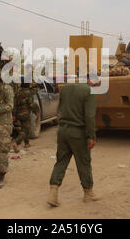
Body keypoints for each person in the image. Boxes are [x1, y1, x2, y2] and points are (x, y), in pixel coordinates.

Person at [47, 74, 100, 207]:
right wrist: (91, 136)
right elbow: (89, 116)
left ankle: (53, 193)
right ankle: (88, 193)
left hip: (63, 131)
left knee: (61, 162)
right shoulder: (89, 91)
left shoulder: (66, 88)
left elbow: (59, 109)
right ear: (91, 81)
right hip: (78, 133)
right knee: (84, 163)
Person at [12, 79, 39, 152]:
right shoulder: (28, 92)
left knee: (24, 128)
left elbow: (14, 104)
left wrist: (14, 115)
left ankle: (27, 143)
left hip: (18, 113)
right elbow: (31, 104)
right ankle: (16, 143)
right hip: (25, 114)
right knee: (26, 130)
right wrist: (35, 112)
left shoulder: (17, 92)